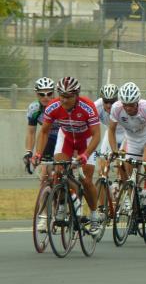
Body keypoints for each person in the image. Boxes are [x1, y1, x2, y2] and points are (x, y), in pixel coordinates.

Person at [32, 76, 102, 236]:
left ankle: (94, 215)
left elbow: (97, 135)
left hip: (86, 140)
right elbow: (44, 131)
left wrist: (86, 154)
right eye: (61, 95)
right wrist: (38, 153)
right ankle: (63, 204)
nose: (64, 100)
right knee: (59, 171)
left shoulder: (88, 107)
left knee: (86, 179)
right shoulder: (53, 106)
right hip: (67, 139)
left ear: (77, 95)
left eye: (68, 97)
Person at [108, 82, 146, 214]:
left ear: (137, 102)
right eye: (125, 104)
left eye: (131, 105)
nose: (128, 108)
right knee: (129, 171)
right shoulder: (116, 108)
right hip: (131, 139)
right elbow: (111, 130)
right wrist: (115, 149)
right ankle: (133, 198)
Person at [24, 77, 59, 179]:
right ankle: (46, 193)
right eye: (41, 94)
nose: (46, 97)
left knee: (62, 170)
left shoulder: (61, 106)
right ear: (36, 94)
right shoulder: (34, 109)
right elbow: (31, 133)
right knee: (44, 174)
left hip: (65, 136)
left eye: (49, 94)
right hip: (48, 138)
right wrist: (29, 152)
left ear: (54, 93)